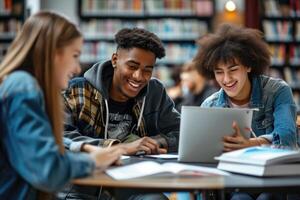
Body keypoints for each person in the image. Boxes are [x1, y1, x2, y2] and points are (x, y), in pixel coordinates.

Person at [0, 11, 125, 200]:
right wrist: (93, 161)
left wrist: (84, 152)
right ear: (52, 53)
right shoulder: (23, 87)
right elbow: (47, 171)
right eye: (75, 55)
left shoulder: (20, 85)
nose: (77, 68)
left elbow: (35, 153)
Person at [61, 27, 180, 199]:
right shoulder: (76, 90)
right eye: (132, 66)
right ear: (115, 60)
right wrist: (118, 148)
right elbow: (62, 138)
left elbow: (181, 132)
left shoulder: (155, 92)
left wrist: (154, 142)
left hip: (132, 185)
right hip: (82, 188)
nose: (139, 76)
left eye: (148, 69)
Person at [194, 23, 297, 200]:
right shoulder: (209, 106)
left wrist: (252, 144)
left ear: (248, 66)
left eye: (233, 70)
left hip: (273, 177)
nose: (226, 79)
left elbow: (287, 137)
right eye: (219, 72)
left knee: (268, 196)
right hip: (233, 181)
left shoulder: (277, 91)